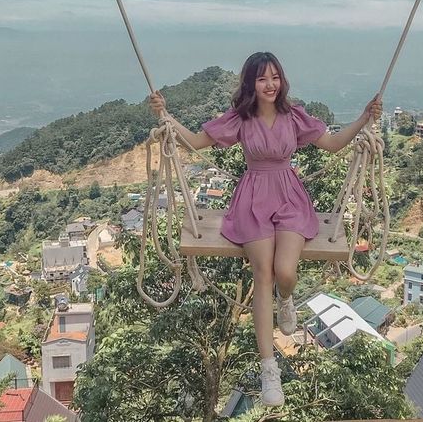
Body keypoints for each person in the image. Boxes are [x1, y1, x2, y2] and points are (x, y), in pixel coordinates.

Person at [149, 51, 382, 407]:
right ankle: (269, 369)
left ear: (281, 80)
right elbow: (195, 142)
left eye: (274, 77)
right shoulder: (241, 119)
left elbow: (334, 144)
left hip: (289, 198)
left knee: (285, 272)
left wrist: (365, 118)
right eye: (262, 78)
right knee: (263, 274)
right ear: (251, 84)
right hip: (253, 199)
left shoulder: (294, 116)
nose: (270, 84)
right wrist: (165, 116)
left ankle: (285, 299)